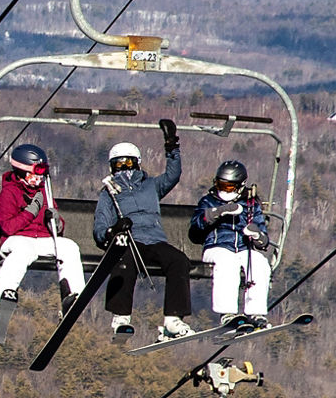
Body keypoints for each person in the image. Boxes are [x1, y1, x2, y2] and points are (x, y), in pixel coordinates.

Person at [94, 119, 198, 341]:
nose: (125, 169)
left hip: (154, 240)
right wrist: (114, 231)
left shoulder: (151, 186)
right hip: (130, 242)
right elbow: (100, 228)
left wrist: (172, 145)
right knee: (123, 261)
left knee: (178, 261)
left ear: (137, 164)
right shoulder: (109, 193)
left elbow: (173, 175)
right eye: (119, 165)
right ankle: (120, 317)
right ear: (112, 168)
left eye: (129, 164)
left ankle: (173, 319)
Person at [0, 143, 86, 312]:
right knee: (24, 251)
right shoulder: (10, 192)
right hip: (16, 239)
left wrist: (56, 221)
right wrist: (30, 212)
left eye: (41, 173)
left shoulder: (44, 191)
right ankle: (5, 294)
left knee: (69, 247)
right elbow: (7, 227)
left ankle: (72, 294)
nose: (38, 178)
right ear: (22, 171)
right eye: (35, 173)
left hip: (41, 239)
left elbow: (57, 229)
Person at [192, 160, 274, 332]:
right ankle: (227, 312)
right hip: (217, 247)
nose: (223, 190)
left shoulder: (250, 205)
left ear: (240, 186)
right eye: (220, 185)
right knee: (227, 262)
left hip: (244, 248)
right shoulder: (209, 201)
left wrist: (257, 235)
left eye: (228, 187)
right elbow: (196, 227)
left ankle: (256, 312)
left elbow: (264, 239)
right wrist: (217, 213)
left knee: (259, 264)